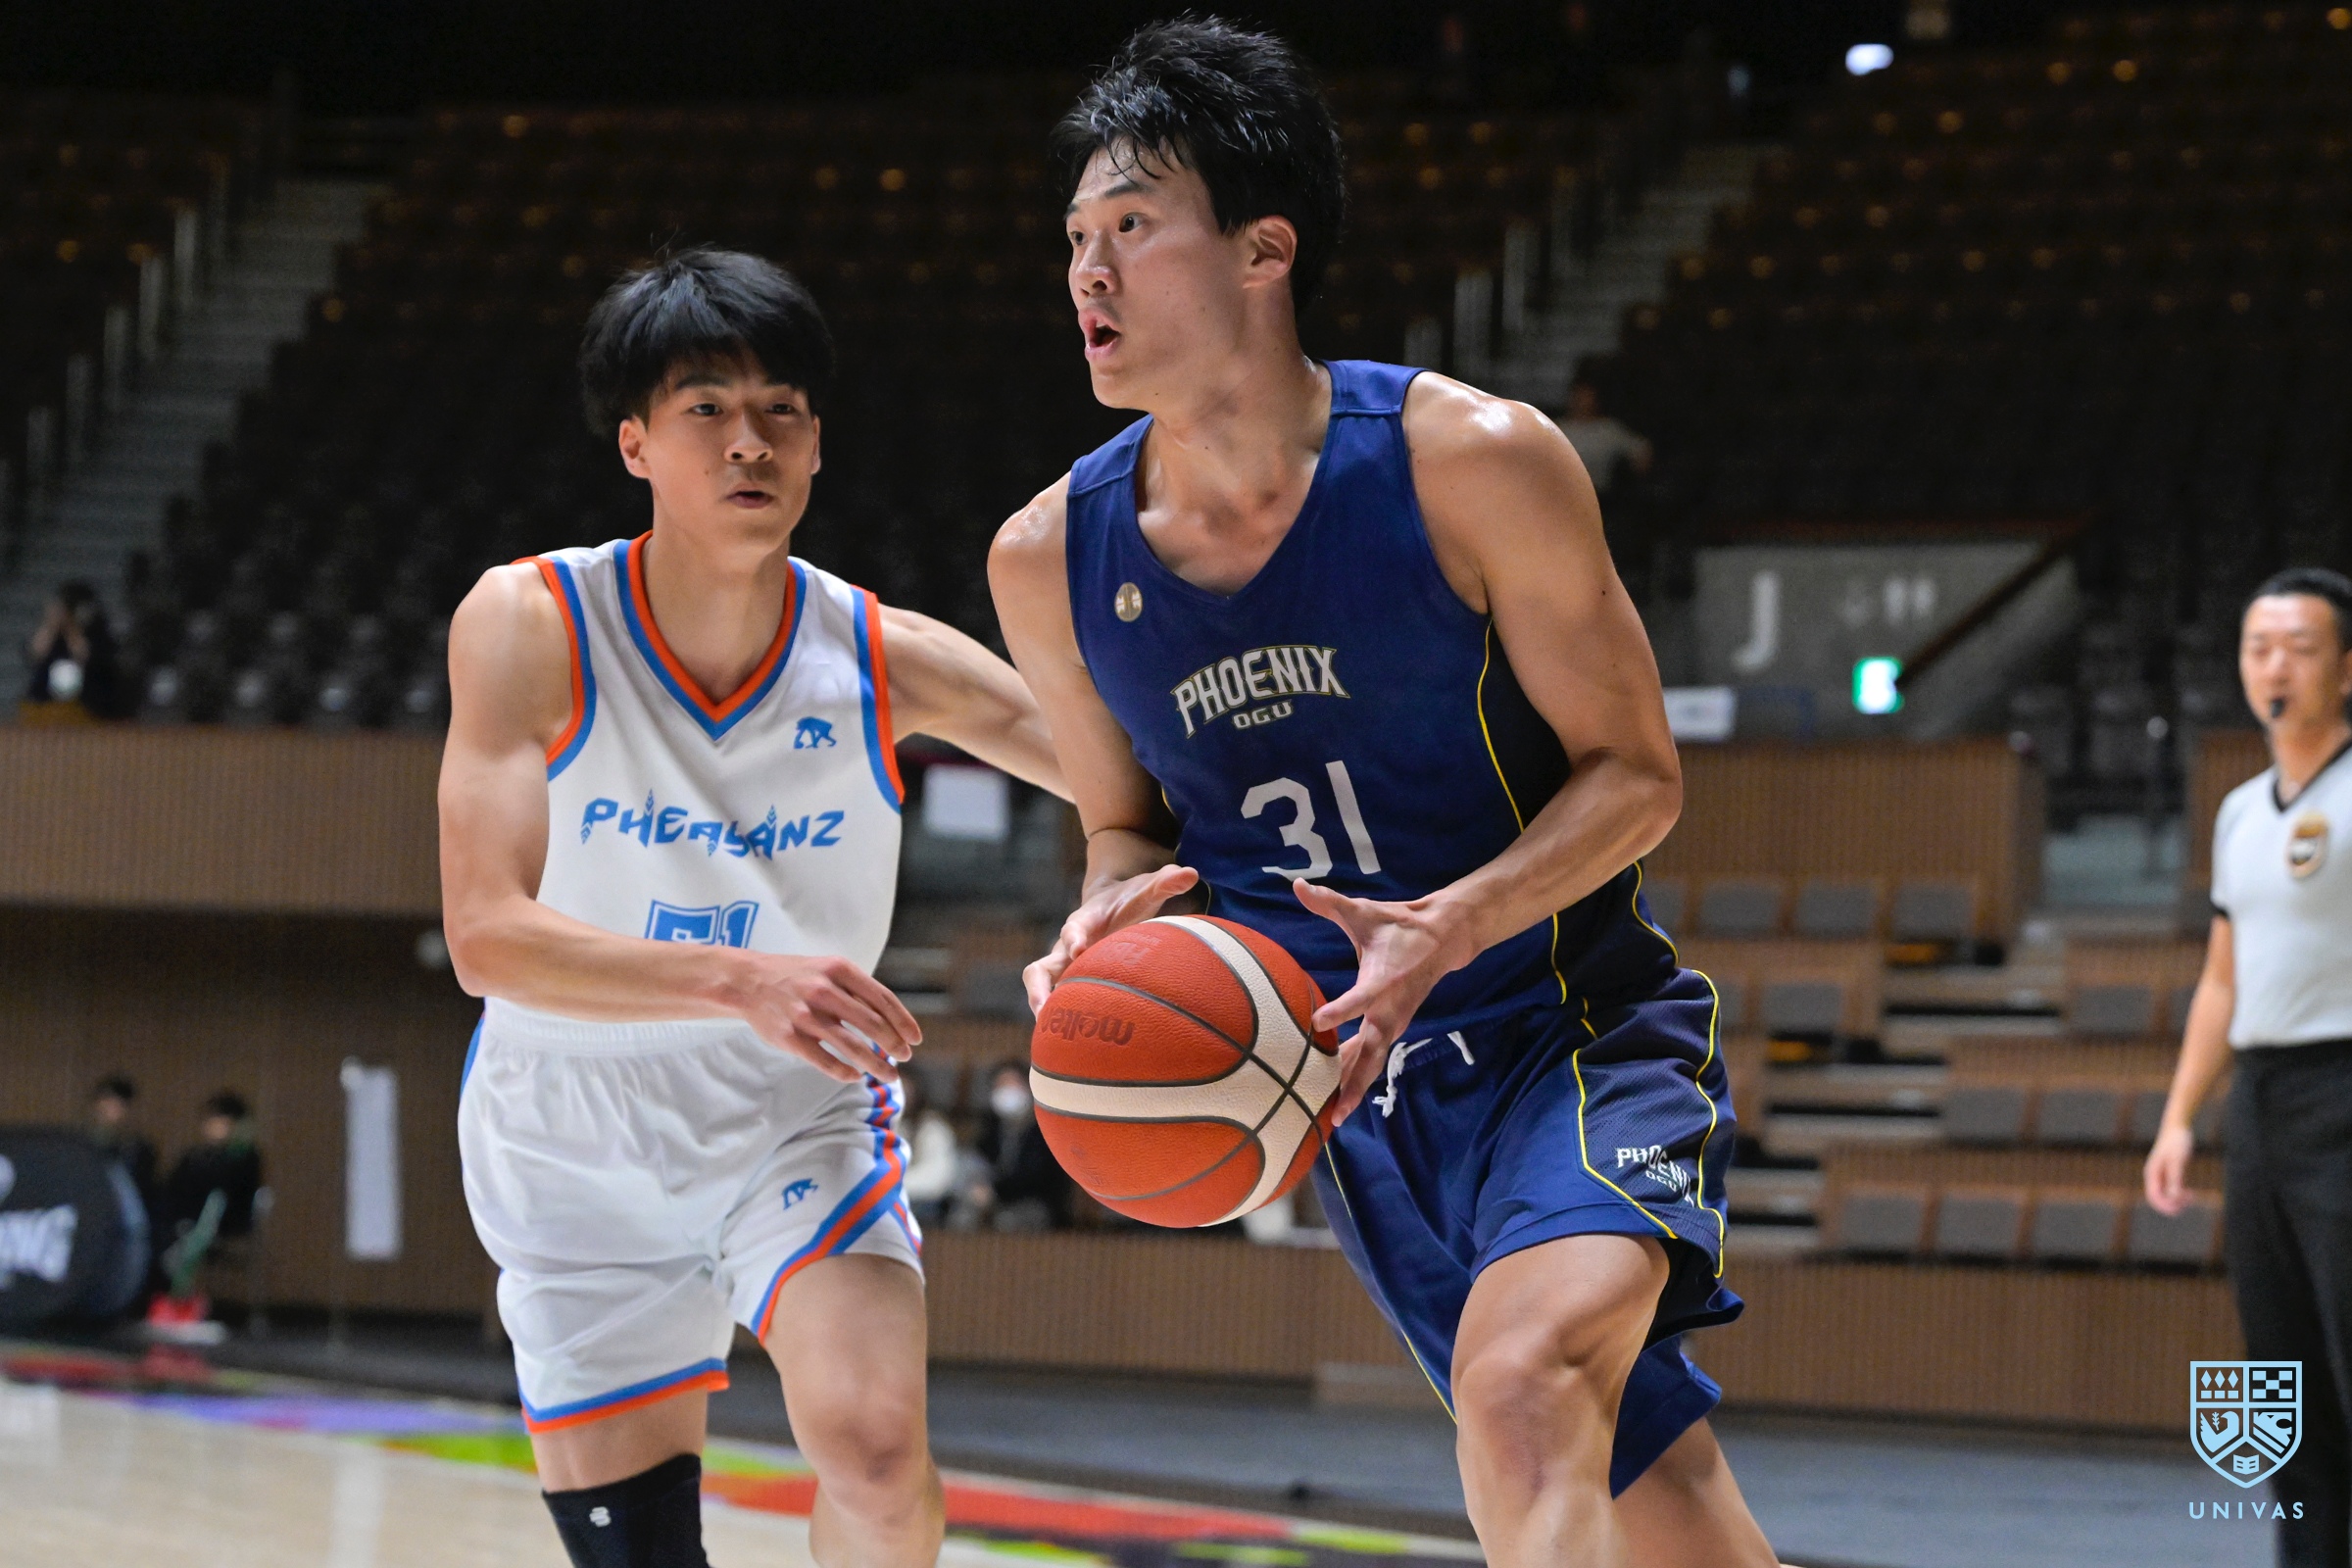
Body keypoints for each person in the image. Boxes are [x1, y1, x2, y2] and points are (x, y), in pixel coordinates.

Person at [990, 23, 1779, 1568]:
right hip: (1346, 1101)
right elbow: (1122, 826)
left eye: (1133, 226)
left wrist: (1453, 922)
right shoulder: (1048, 558)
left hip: (1568, 1033)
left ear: (1264, 249)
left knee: (1522, 1391)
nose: (1088, 271)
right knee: (1664, 1516)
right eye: (1076, 239)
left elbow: (1639, 774)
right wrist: (1104, 914)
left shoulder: (1471, 462)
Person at [439, 248, 1067, 1568]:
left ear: (818, 444)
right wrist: (740, 978)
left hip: (796, 1106)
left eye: (782, 409)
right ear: (635, 443)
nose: (750, 441)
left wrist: (1126, 889)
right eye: (707, 409)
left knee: (876, 1452)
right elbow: (487, 936)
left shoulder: (881, 654)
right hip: (568, 1132)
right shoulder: (531, 621)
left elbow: (1133, 780)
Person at [2147, 566, 2352, 1568]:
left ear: (2346, 668)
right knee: (2284, 1378)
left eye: (2300, 648)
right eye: (2259, 647)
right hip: (2264, 1106)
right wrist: (2180, 1116)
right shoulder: (2238, 811)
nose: (2276, 666)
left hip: (2345, 1086)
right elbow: (2224, 979)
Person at [146, 1089, 265, 1334]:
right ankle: (158, 1300)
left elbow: (233, 1197)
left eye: (221, 1121)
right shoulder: (194, 1156)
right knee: (155, 1236)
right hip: (180, 1220)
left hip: (218, 1223)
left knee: (186, 1242)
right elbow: (171, 1188)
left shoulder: (244, 1158)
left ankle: (181, 1302)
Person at [972, 1059, 1074, 1231]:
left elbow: (1038, 1177)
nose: (1007, 1091)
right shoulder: (992, 1127)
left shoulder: (1044, 1128)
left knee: (1007, 1222)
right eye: (1001, 1085)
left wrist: (996, 1192)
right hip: (997, 1199)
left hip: (1036, 1203)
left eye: (1013, 1084)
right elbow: (981, 1161)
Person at [22, 580, 123, 718]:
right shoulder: (53, 633)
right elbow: (35, 654)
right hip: (47, 702)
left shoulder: (98, 633)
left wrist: (71, 627)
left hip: (87, 704)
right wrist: (51, 624)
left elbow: (84, 655)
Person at [1558, 379, 1652, 499]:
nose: (1582, 401)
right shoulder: (1556, 428)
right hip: (1560, 494)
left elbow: (1641, 450)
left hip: (1599, 496)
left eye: (1587, 396)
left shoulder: (1608, 429)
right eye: (1578, 396)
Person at [87, 1073, 159, 1214]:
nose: (111, 1111)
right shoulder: (80, 1146)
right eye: (107, 1103)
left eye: (117, 1105)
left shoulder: (139, 1151)